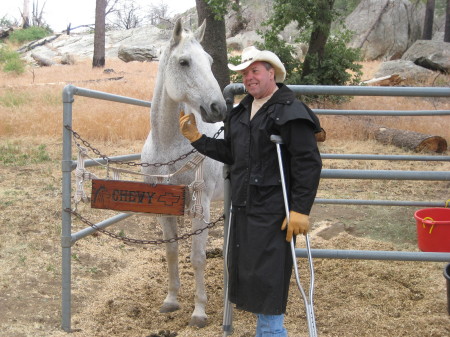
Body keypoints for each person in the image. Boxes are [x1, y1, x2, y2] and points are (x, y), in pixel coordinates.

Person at [179, 46, 322, 336]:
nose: (249, 78)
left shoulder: (290, 111)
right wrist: (196, 138)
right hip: (244, 208)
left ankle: (271, 332)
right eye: (245, 73)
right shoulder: (241, 111)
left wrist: (300, 210)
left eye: (254, 71)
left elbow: (308, 164)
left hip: (274, 210)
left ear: (272, 73)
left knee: (269, 278)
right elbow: (232, 153)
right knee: (250, 275)